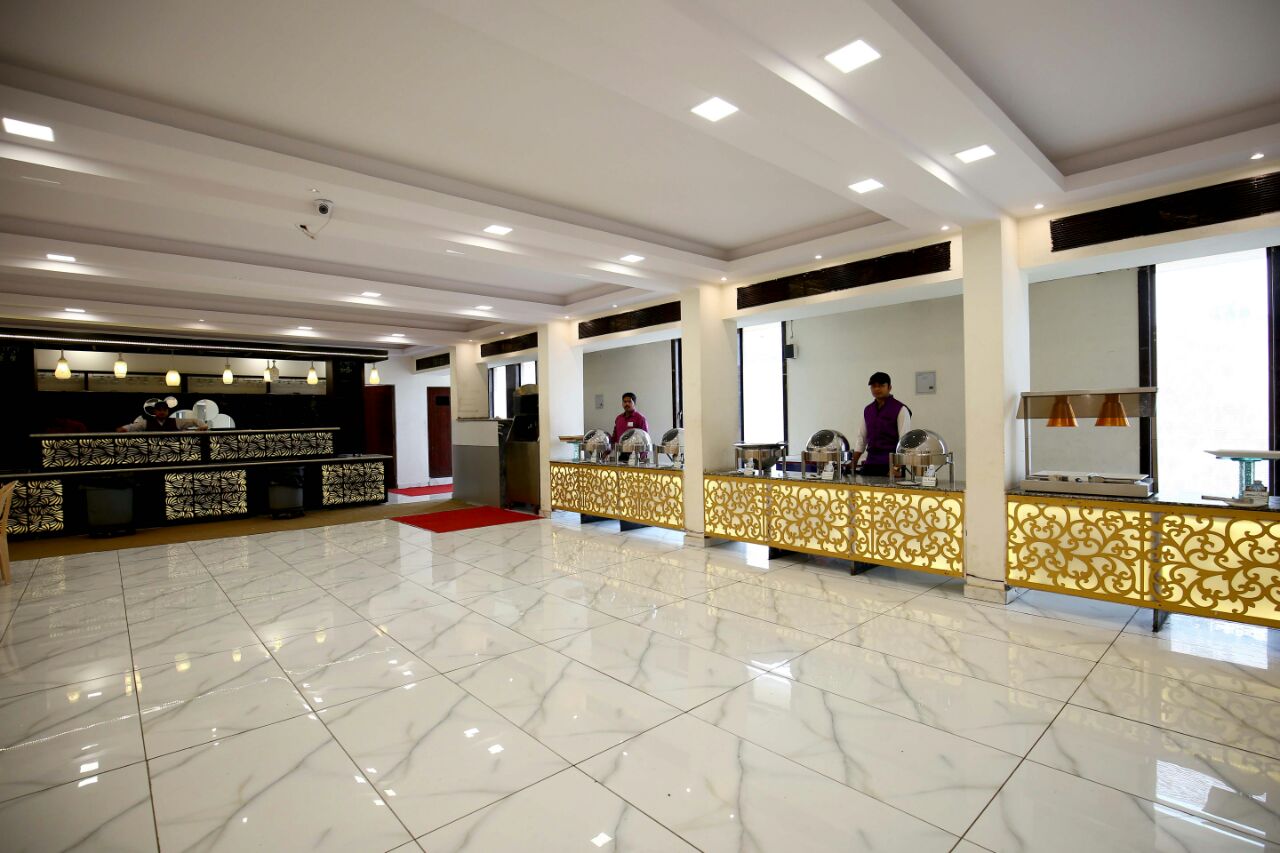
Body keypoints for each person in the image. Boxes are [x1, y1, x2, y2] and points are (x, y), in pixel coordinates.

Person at [852, 371, 910, 477]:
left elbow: (905, 442)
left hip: (891, 465)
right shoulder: (868, 410)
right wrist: (853, 462)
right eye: (874, 386)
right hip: (870, 463)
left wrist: (896, 468)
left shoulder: (900, 409)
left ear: (889, 387)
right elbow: (861, 439)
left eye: (881, 386)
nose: (877, 389)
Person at [116, 400, 207, 432]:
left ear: (167, 411)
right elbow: (132, 427)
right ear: (155, 411)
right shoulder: (146, 423)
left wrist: (203, 426)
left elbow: (194, 420)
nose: (162, 412)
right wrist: (124, 429)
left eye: (164, 410)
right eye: (159, 410)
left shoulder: (176, 421)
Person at [610, 392, 648, 462]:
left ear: (634, 403)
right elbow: (614, 437)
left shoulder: (640, 418)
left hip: (637, 454)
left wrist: (640, 457)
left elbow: (645, 439)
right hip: (622, 454)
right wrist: (607, 452)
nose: (627, 404)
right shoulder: (619, 418)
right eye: (624, 402)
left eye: (629, 401)